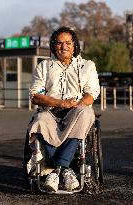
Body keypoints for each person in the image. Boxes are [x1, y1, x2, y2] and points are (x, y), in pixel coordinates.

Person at [27, 26, 100, 192]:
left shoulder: (87, 66)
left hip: (76, 111)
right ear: (53, 46)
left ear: (74, 45)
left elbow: (91, 93)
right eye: (59, 43)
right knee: (40, 120)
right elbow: (35, 96)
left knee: (86, 112)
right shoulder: (44, 67)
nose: (64, 46)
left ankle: (56, 170)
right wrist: (61, 103)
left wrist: (75, 105)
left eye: (68, 43)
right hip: (50, 112)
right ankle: (66, 169)